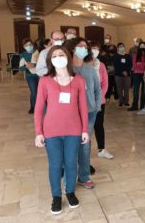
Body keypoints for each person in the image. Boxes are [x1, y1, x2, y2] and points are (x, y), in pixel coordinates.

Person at [34, 45, 89, 214]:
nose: (58, 57)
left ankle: (70, 192)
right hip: (51, 131)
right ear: (50, 60)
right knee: (55, 165)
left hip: (73, 130)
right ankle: (56, 196)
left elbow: (83, 107)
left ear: (68, 57)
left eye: (61, 54)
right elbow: (38, 108)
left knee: (72, 163)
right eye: (54, 55)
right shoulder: (45, 80)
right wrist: (38, 132)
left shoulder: (78, 80)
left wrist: (85, 129)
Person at [65, 37, 102, 189]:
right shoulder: (67, 69)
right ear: (72, 49)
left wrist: (97, 106)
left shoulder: (89, 69)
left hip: (90, 112)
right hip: (71, 114)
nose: (84, 49)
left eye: (85, 47)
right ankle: (68, 176)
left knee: (85, 144)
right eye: (80, 46)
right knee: (69, 145)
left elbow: (97, 90)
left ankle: (84, 176)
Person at [90, 42, 114, 159]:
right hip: (86, 101)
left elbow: (105, 83)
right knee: (85, 127)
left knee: (99, 125)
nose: (95, 50)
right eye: (93, 48)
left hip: (99, 100)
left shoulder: (101, 65)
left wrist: (99, 97)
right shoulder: (83, 65)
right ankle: (83, 151)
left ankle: (101, 149)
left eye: (97, 48)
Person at [19, 38, 39, 114]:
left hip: (39, 75)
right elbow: (20, 68)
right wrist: (26, 67)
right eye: (26, 45)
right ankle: (33, 107)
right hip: (30, 75)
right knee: (34, 92)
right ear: (24, 47)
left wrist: (34, 64)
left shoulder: (37, 52)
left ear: (33, 45)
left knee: (40, 92)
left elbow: (42, 63)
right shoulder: (23, 55)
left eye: (30, 45)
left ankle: (41, 106)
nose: (29, 46)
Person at [128, 41, 145, 111]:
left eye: (143, 46)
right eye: (141, 46)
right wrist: (142, 65)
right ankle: (135, 105)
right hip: (136, 74)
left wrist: (141, 64)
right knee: (135, 90)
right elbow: (135, 65)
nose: (142, 47)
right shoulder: (135, 54)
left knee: (144, 91)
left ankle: (142, 106)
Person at [114, 43, 132, 107]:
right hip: (118, 75)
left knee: (126, 89)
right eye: (120, 46)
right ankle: (121, 101)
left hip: (127, 75)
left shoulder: (128, 56)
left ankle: (126, 101)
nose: (122, 47)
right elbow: (116, 65)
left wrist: (127, 71)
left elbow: (130, 65)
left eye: (123, 46)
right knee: (119, 89)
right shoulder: (116, 56)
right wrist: (122, 71)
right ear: (118, 48)